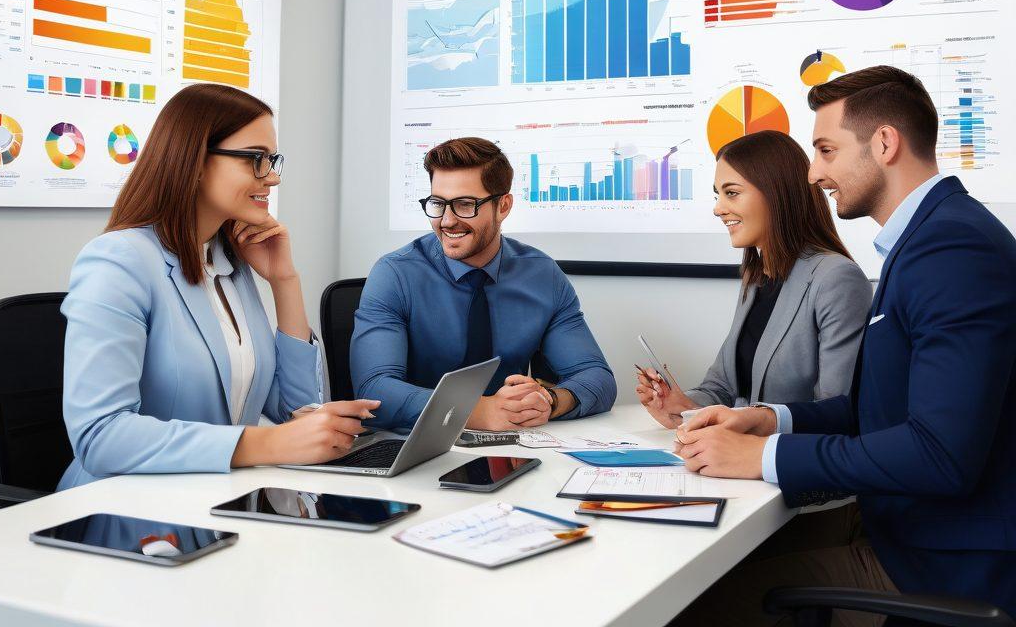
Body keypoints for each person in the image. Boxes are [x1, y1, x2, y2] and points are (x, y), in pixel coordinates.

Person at [674, 66, 1016, 622]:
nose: (813, 173)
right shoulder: (927, 241)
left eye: (827, 151)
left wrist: (765, 456)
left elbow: (940, 455)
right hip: (910, 537)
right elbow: (878, 413)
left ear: (884, 143)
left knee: (697, 603)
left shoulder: (950, 249)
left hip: (941, 565)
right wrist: (770, 421)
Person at [59, 84, 378, 490]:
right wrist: (266, 444)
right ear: (194, 161)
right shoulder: (118, 262)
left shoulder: (229, 264)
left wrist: (284, 281)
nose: (273, 177)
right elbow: (100, 437)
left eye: (273, 159)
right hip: (124, 510)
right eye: (256, 159)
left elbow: (296, 413)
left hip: (217, 498)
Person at [350, 137, 616, 433]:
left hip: (512, 448)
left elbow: (597, 377)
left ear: (503, 206)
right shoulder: (395, 274)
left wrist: (550, 399)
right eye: (438, 204)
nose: (447, 221)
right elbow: (374, 391)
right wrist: (476, 412)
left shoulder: (542, 275)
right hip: (412, 449)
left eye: (465, 204)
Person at [636, 130, 870, 426]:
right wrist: (682, 407)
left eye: (731, 193)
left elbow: (837, 412)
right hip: (739, 459)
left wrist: (746, 430)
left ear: (776, 193)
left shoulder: (836, 280)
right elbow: (723, 388)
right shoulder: (756, 277)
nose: (718, 208)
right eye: (718, 194)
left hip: (788, 462)